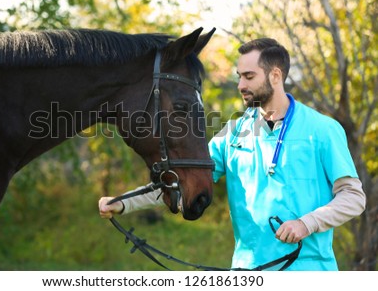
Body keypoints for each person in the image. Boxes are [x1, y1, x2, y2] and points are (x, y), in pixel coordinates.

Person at [99, 38, 366, 271]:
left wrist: (307, 223)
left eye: (249, 77)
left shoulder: (323, 129)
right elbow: (183, 178)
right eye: (239, 76)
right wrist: (124, 202)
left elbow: (353, 197)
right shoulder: (234, 132)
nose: (240, 85)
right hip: (245, 272)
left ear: (275, 76)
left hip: (309, 272)